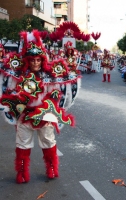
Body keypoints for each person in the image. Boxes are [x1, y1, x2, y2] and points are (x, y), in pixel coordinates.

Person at [0, 30, 80, 183]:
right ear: (27, 60)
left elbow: (55, 95)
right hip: (24, 117)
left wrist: (49, 110)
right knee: (22, 145)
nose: (35, 63)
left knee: (48, 143)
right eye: (32, 60)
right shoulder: (19, 76)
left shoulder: (49, 76)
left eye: (38, 60)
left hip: (45, 116)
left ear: (42, 60)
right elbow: (11, 92)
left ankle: (51, 168)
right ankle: (22, 172)